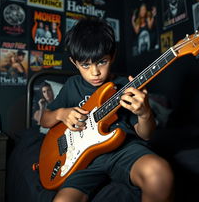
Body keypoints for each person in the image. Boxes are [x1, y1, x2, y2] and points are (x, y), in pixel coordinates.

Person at [40, 18, 174, 202]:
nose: (95, 72)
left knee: (159, 174)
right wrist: (61, 114)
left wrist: (145, 113)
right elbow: (44, 120)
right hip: (83, 161)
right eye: (85, 65)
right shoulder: (72, 86)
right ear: (74, 62)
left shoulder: (125, 86)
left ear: (113, 55)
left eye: (101, 62)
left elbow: (146, 134)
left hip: (124, 151)